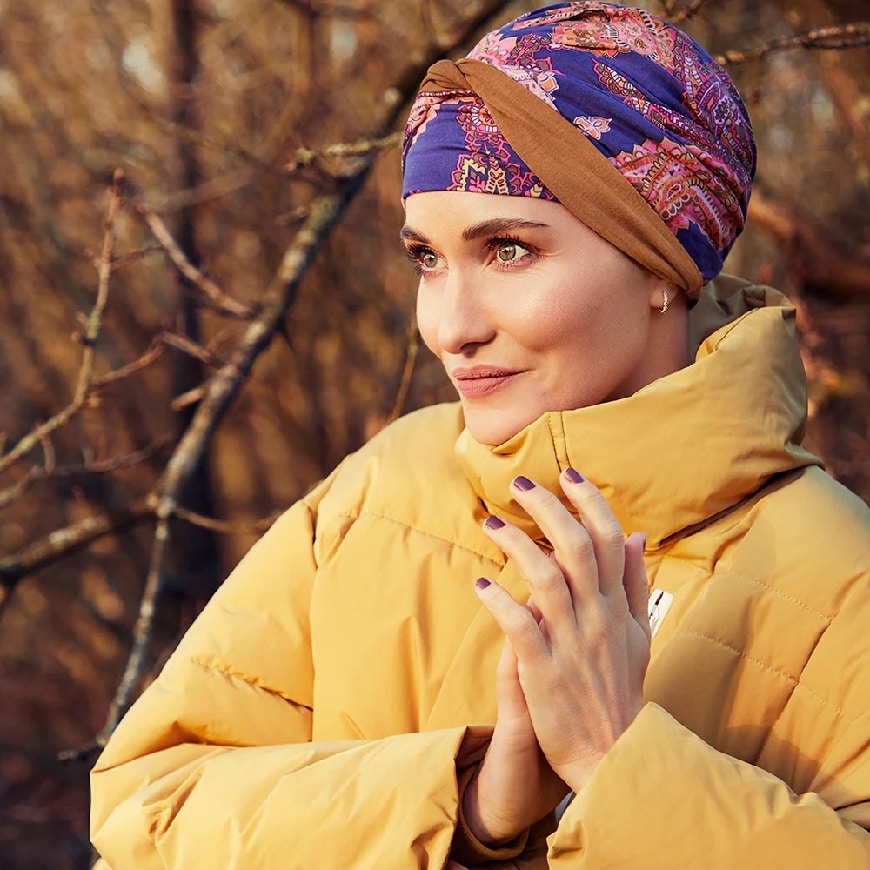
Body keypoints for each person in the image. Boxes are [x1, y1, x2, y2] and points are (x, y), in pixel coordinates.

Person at [90, 3, 870, 867]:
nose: (449, 326)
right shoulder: (381, 490)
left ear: (662, 263)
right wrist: (464, 801)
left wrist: (620, 765)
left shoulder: (842, 584)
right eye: (428, 257)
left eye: (507, 250)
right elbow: (144, 808)